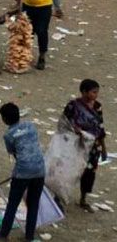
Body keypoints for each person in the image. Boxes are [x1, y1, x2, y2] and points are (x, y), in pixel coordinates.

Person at [0, 102, 45, 241]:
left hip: (23, 171)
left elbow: (15, 153)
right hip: (40, 168)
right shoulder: (31, 126)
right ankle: (29, 236)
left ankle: (3, 234)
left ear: (4, 119)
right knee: (33, 204)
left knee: (13, 203)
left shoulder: (9, 135)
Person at [61, 79, 107, 211]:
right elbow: (64, 124)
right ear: (84, 92)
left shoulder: (97, 107)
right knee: (69, 171)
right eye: (93, 92)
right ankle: (60, 198)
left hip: (92, 146)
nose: (96, 95)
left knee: (89, 173)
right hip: (76, 144)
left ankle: (83, 199)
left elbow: (100, 127)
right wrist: (75, 130)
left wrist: (103, 148)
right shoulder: (73, 106)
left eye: (97, 92)